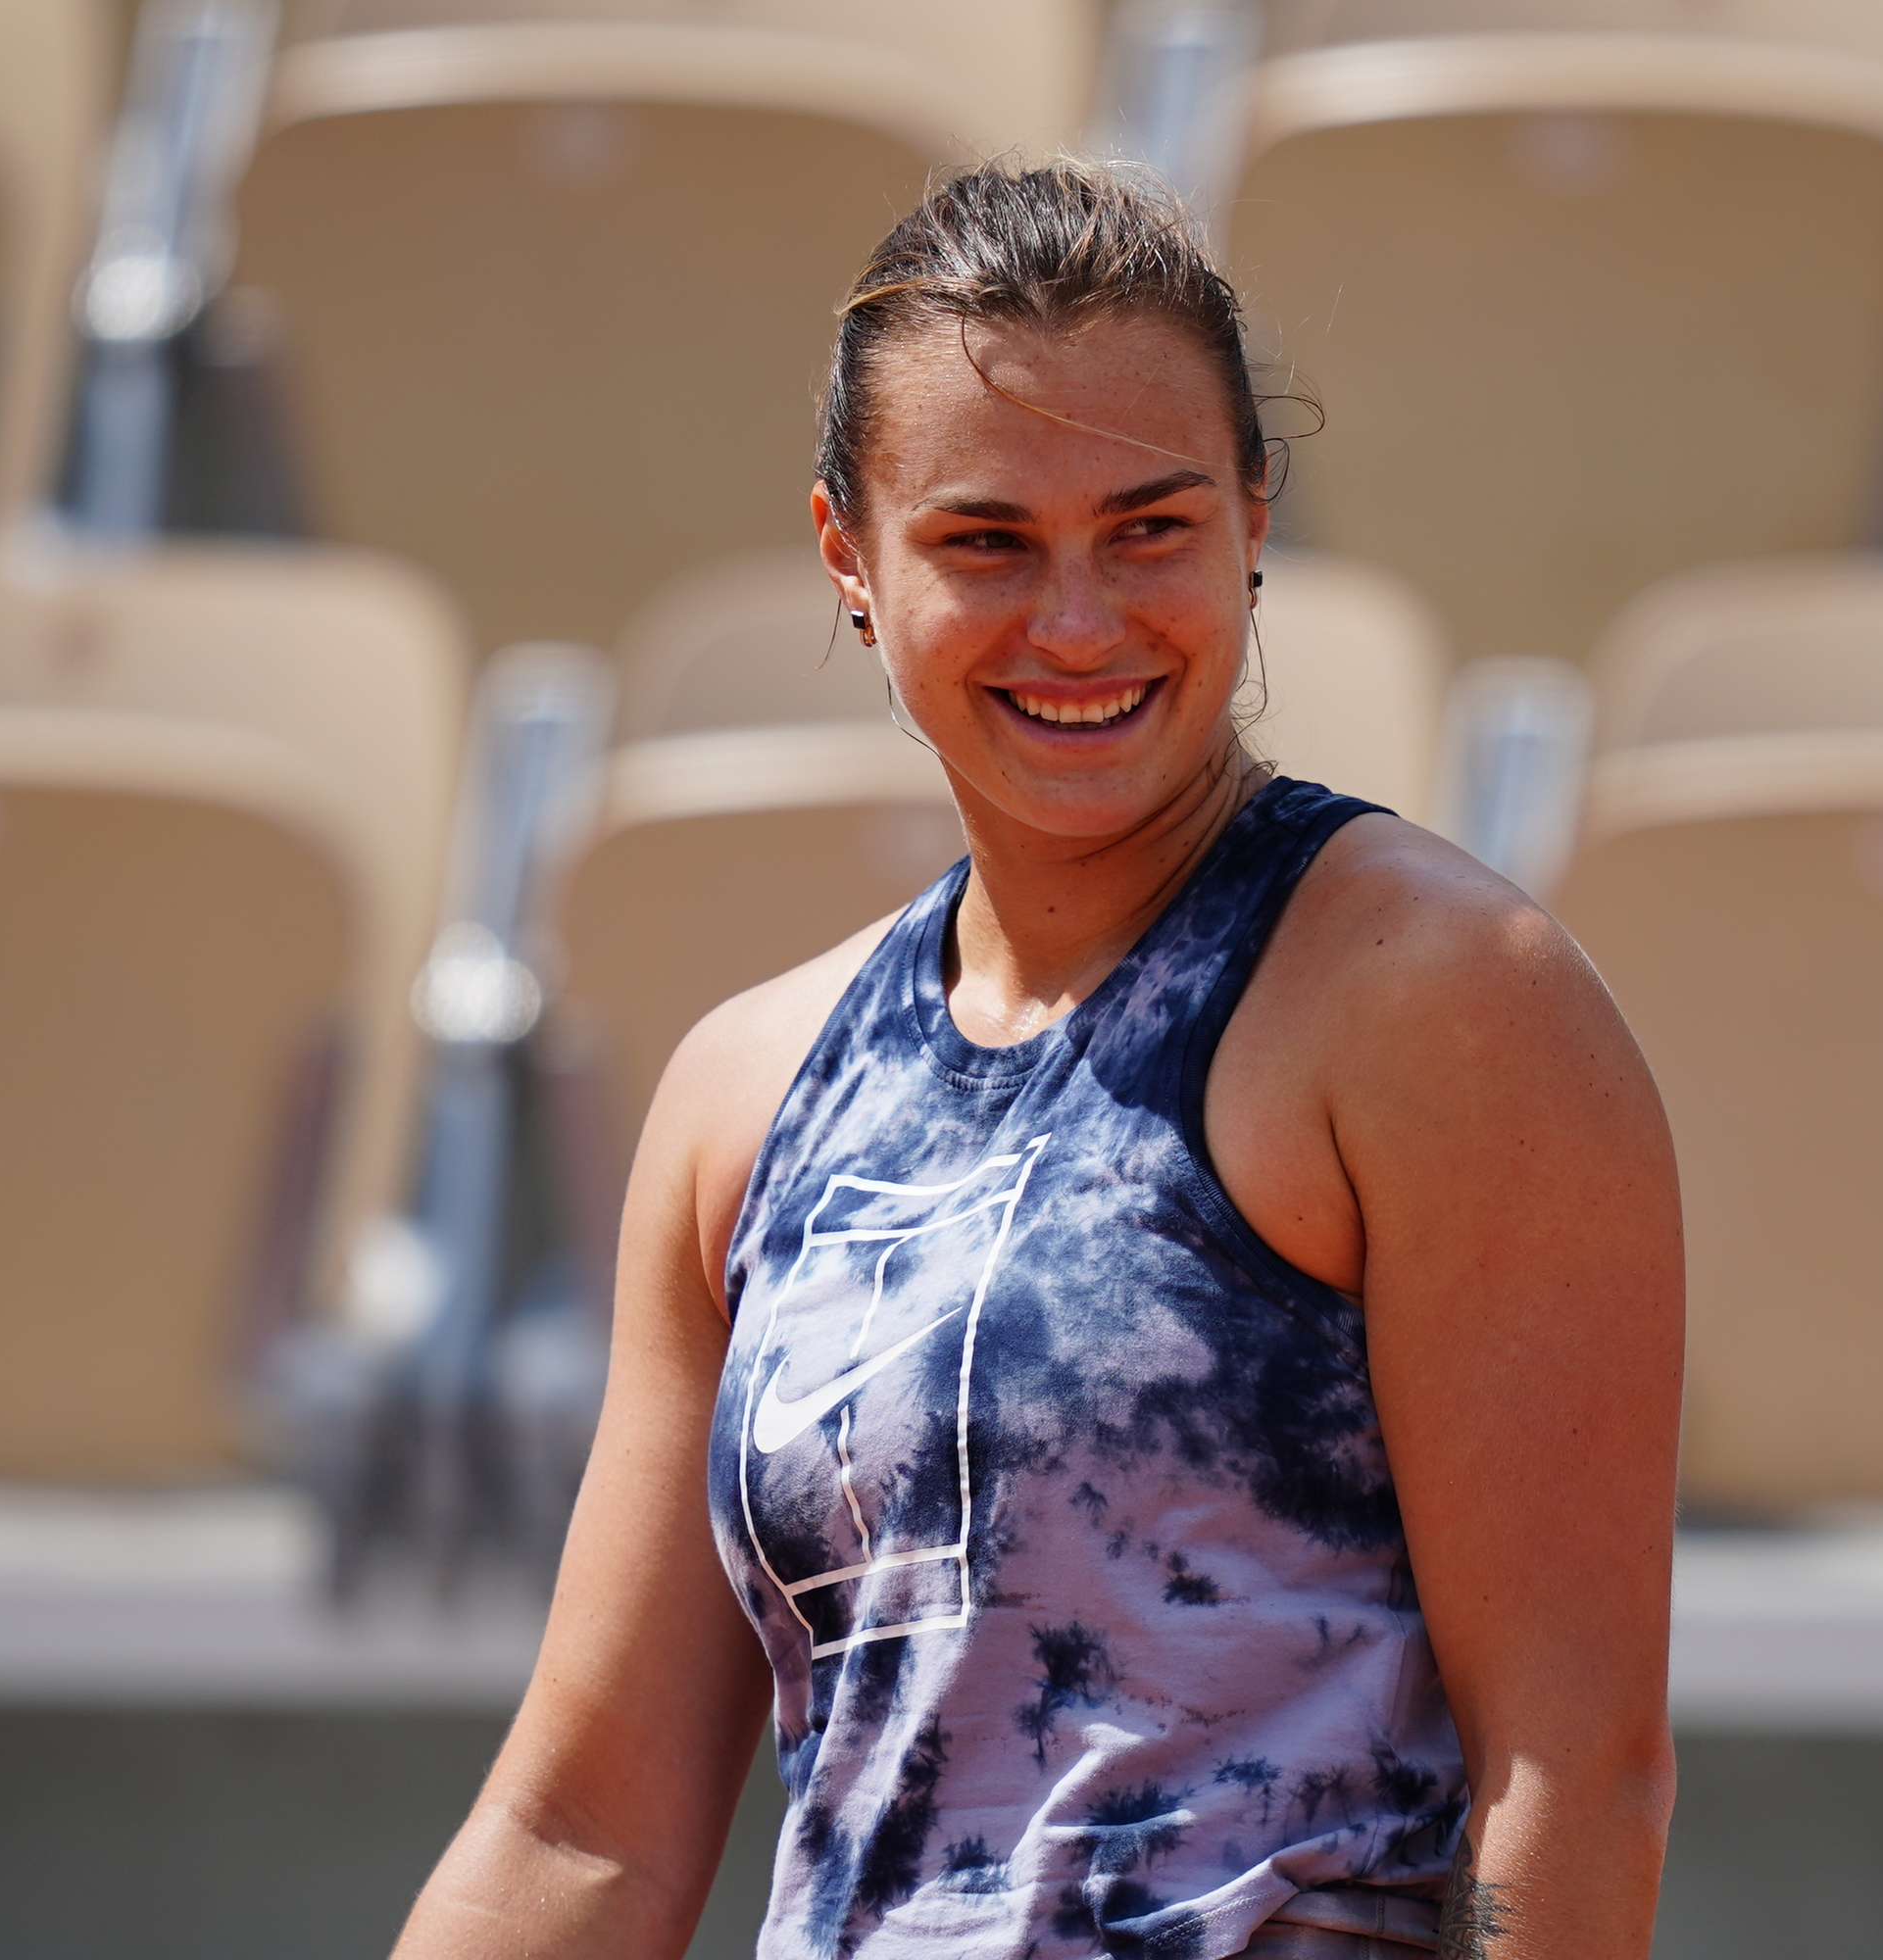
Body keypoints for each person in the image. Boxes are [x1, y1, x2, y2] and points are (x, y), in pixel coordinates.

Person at [392, 160, 1683, 1960]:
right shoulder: (741, 1092)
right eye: (987, 542)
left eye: (1148, 527)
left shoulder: (1446, 998)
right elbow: (586, 1828)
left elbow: (1575, 1777)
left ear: (1253, 514)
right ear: (852, 560)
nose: (1077, 624)